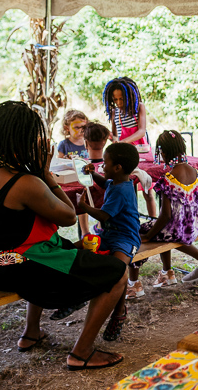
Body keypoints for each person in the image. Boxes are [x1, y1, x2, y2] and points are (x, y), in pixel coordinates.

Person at [0, 101, 127, 370]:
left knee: (48, 247)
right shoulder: (25, 182)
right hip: (18, 268)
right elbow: (67, 216)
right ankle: (82, 352)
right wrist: (44, 174)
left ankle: (31, 332)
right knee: (117, 272)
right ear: (19, 140)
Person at [126, 130, 198, 297]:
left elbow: (166, 216)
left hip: (177, 230)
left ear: (162, 152)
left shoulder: (168, 180)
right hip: (193, 225)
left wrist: (149, 235)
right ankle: (167, 273)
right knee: (157, 226)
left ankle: (134, 284)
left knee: (135, 234)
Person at [78, 142, 141, 342]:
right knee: (83, 252)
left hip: (125, 237)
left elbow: (104, 215)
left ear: (117, 168)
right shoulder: (117, 182)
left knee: (118, 269)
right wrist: (93, 173)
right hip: (109, 235)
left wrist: (84, 207)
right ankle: (79, 295)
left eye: (104, 163)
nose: (101, 166)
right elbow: (105, 183)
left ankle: (119, 312)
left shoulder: (122, 190)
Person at [102, 77, 157, 220]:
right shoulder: (115, 112)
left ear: (129, 97)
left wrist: (123, 142)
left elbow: (141, 131)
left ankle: (152, 220)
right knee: (126, 187)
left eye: (122, 99)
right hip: (123, 155)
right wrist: (112, 138)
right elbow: (115, 134)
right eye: (115, 100)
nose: (119, 103)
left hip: (142, 153)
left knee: (147, 190)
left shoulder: (139, 107)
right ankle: (130, 220)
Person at [56, 110, 90, 236]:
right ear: (67, 128)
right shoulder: (64, 144)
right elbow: (58, 162)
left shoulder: (87, 142)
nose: (81, 130)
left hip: (84, 179)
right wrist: (64, 160)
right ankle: (85, 232)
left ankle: (90, 229)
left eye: (84, 127)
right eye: (77, 127)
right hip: (70, 180)